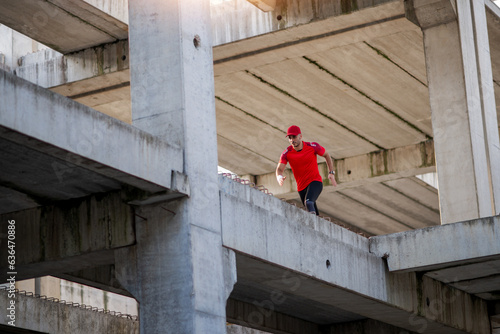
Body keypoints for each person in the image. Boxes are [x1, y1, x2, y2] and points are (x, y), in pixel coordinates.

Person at [276, 125, 337, 215]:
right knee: (311, 211)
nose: (292, 140)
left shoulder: (312, 146)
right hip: (301, 188)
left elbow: (327, 155)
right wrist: (279, 177)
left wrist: (331, 172)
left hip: (315, 182)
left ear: (300, 136)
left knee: (308, 202)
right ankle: (318, 227)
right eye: (290, 138)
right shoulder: (287, 153)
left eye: (294, 137)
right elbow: (279, 169)